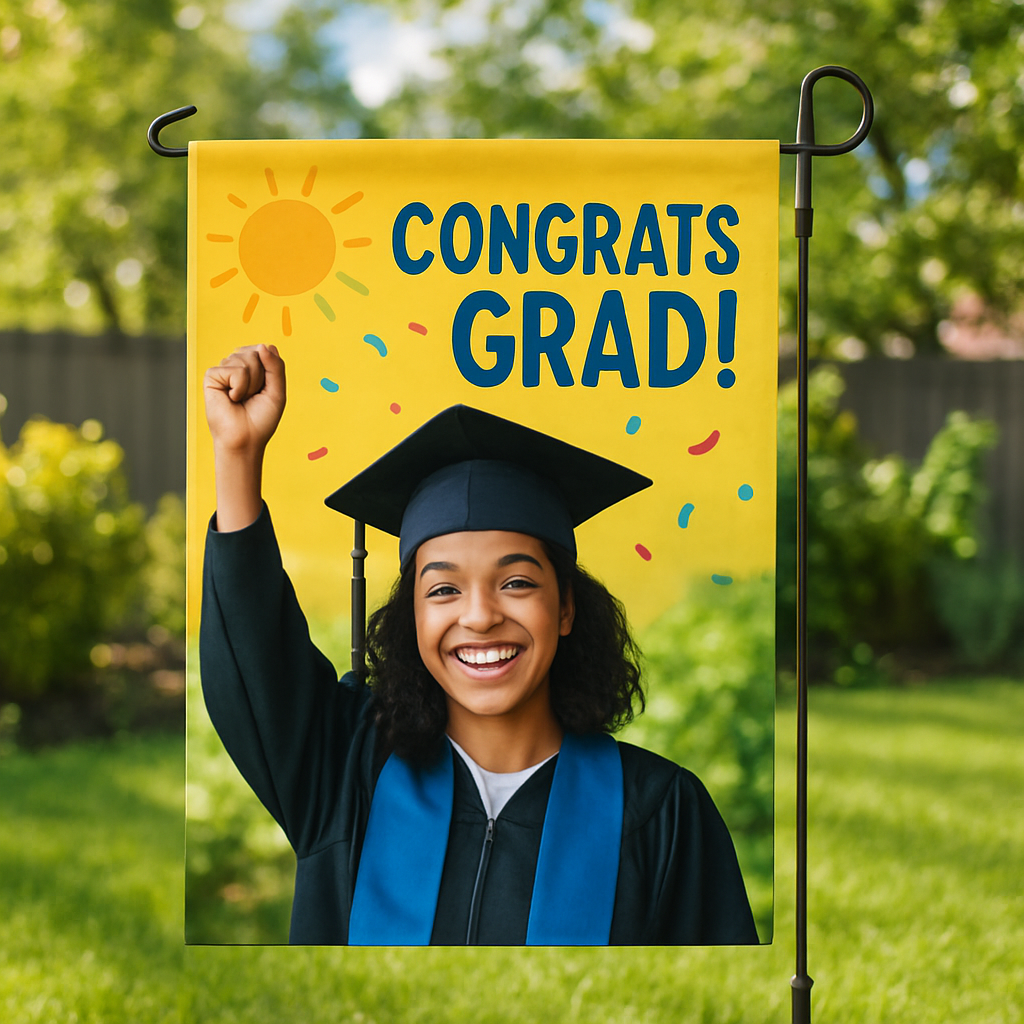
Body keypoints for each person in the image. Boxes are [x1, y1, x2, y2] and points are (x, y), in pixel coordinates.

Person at [200, 342, 758, 946]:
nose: (479, 616)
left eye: (516, 582)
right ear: (411, 615)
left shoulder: (660, 812)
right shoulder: (347, 770)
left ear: (566, 607)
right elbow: (256, 659)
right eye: (442, 590)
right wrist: (238, 453)